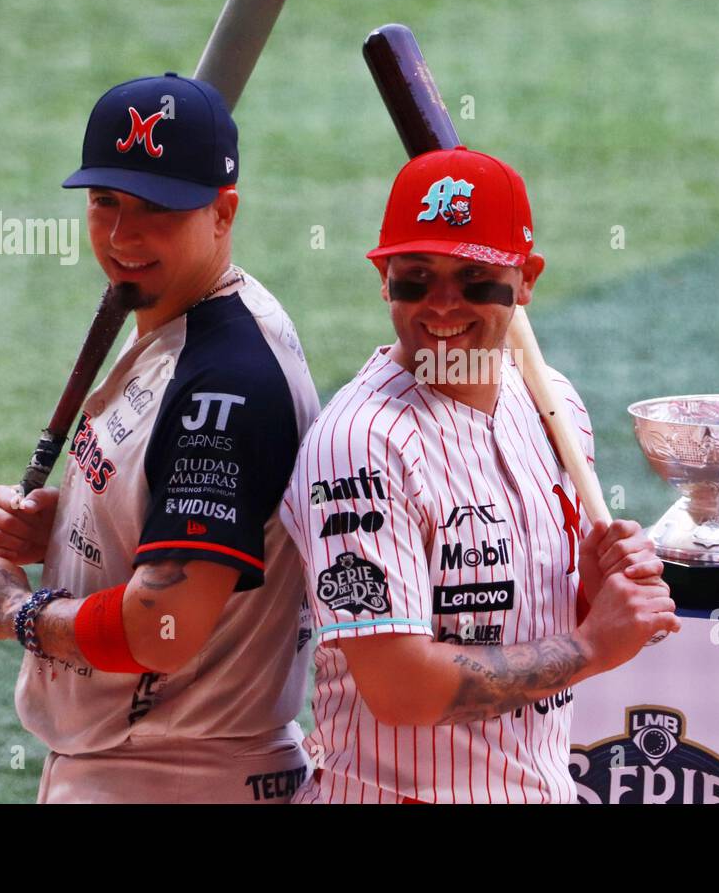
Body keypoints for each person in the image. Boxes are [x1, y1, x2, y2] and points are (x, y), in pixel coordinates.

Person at [0, 73, 320, 803]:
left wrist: (9, 610)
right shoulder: (176, 319)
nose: (122, 237)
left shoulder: (223, 382)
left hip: (176, 776)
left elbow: (165, 625)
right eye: (104, 202)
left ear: (223, 212)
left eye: (156, 210)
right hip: (148, 765)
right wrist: (69, 531)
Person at [279, 145, 679, 803]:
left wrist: (592, 592)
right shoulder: (361, 445)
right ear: (382, 276)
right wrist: (592, 645)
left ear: (526, 279)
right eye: (416, 274)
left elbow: (528, 619)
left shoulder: (555, 408)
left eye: (473, 275)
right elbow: (400, 688)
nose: (442, 304)